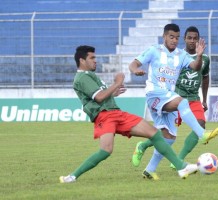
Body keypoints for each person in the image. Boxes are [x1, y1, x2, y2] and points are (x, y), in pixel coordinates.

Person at [59, 45, 198, 183]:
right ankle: (72, 177)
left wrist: (113, 92)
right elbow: (99, 97)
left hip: (116, 113)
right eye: (92, 58)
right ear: (82, 61)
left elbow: (101, 96)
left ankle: (181, 167)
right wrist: (117, 82)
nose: (96, 60)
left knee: (154, 133)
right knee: (105, 151)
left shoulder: (90, 75)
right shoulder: (81, 77)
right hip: (104, 117)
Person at [129, 24, 218, 180]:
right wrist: (135, 70)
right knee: (181, 102)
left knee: (168, 138)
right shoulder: (154, 50)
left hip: (168, 96)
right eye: (171, 37)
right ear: (164, 36)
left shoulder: (181, 55)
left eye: (177, 37)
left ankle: (149, 169)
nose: (174, 40)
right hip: (154, 94)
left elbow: (195, 67)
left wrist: (198, 56)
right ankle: (202, 134)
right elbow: (134, 63)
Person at [170, 26, 211, 169]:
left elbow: (205, 78)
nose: (192, 41)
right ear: (184, 39)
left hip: (193, 99)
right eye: (189, 38)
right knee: (167, 135)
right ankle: (143, 146)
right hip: (177, 99)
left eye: (195, 38)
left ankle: (178, 159)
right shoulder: (177, 56)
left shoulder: (205, 59)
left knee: (201, 124)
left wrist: (204, 99)